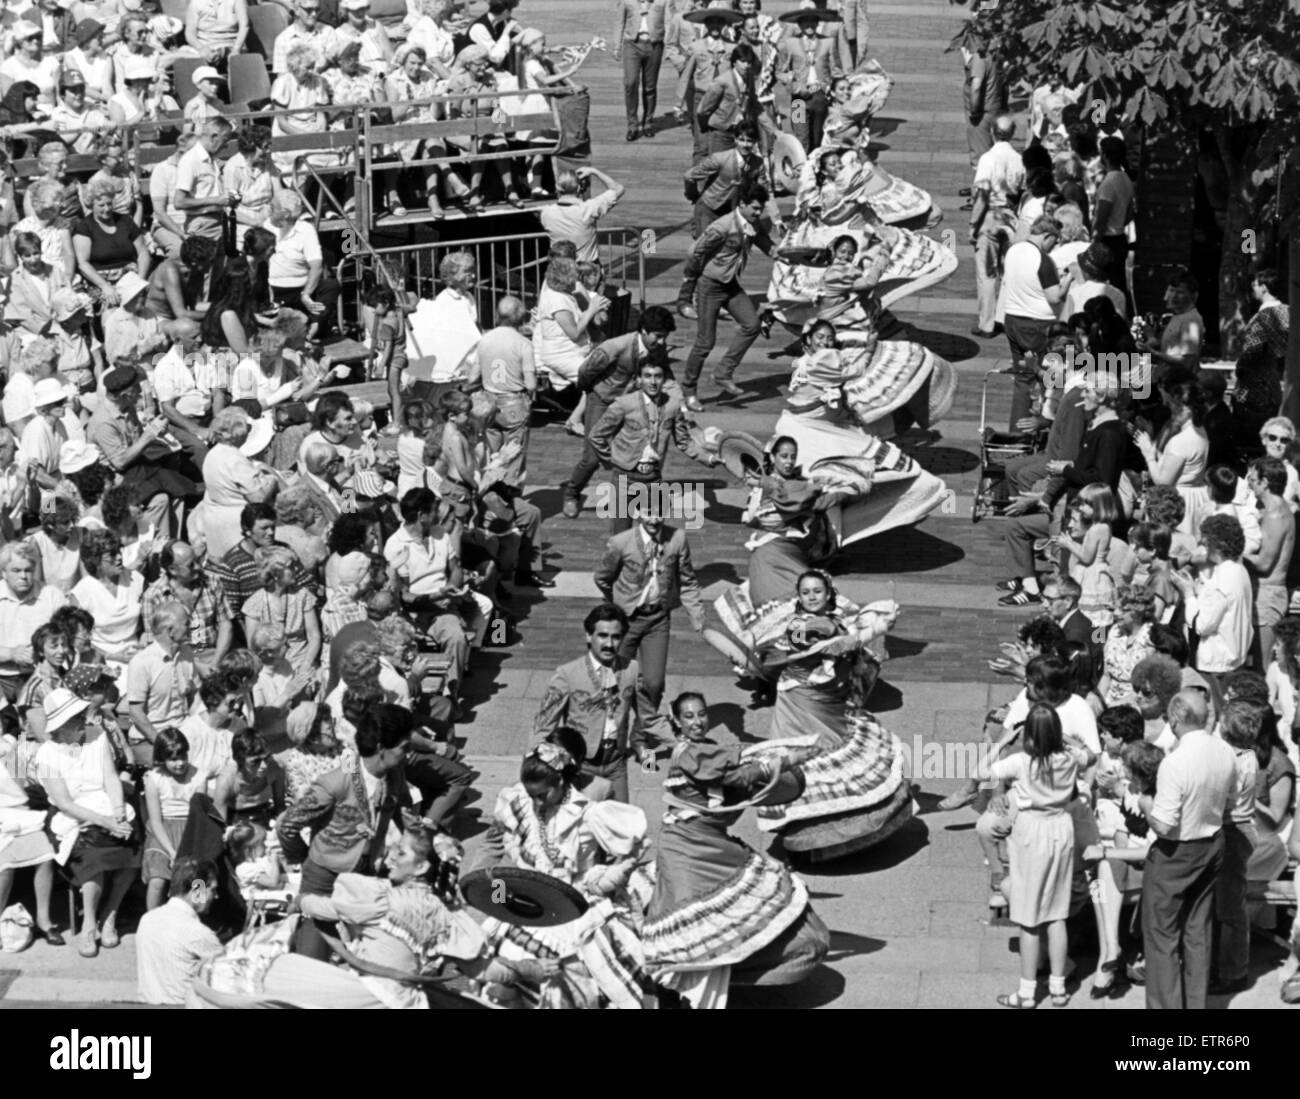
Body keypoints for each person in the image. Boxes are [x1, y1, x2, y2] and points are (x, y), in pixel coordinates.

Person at [641, 691, 827, 1006]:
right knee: (691, 922)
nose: (697, 721)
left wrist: (778, 767)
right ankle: (673, 990)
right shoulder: (687, 753)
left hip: (712, 841)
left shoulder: (709, 750)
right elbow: (740, 773)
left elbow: (738, 782)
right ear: (676, 720)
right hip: (684, 845)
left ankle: (730, 969)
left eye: (701, 714)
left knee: (742, 904)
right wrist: (789, 759)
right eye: (688, 716)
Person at [973, 702, 1079, 1008]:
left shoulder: (1021, 762)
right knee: (1057, 913)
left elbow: (980, 772)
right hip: (1062, 826)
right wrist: (1067, 740)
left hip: (1032, 832)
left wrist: (1001, 743)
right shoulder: (1070, 758)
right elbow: (1089, 754)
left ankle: (1027, 992)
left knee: (1030, 919)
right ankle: (1058, 989)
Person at [1135, 689, 1236, 1009]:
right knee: (1197, 931)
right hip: (1212, 843)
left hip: (1175, 852)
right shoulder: (1224, 751)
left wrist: (1145, 804)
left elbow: (1163, 825)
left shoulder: (1175, 762)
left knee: (1161, 936)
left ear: (1177, 718)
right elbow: (1231, 801)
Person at [35, 688, 140, 959]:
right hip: (72, 817)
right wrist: (105, 821)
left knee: (132, 845)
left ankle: (110, 915)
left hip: (106, 807)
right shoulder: (45, 754)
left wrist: (117, 813)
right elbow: (65, 802)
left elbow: (111, 778)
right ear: (60, 727)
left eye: (81, 716)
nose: (82, 723)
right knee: (93, 858)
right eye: (75, 720)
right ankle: (89, 924)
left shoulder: (98, 737)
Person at [277, 703, 413, 901]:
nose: (409, 754)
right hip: (326, 877)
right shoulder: (329, 780)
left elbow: (354, 769)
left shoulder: (392, 774)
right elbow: (286, 824)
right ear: (381, 748)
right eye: (404, 748)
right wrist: (304, 857)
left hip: (366, 872)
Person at [532, 603, 667, 803]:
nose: (609, 644)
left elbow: (649, 718)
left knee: (623, 827)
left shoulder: (631, 669)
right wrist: (533, 774)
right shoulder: (567, 674)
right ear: (589, 636)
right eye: (602, 635)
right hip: (580, 766)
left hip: (616, 765)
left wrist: (685, 744)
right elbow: (543, 727)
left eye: (616, 637)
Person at [560, 306, 676, 519]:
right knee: (592, 457)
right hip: (603, 402)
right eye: (658, 336)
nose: (661, 342)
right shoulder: (615, 347)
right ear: (643, 330)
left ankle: (632, 496)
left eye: (664, 337)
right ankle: (572, 493)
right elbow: (585, 372)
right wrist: (594, 395)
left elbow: (668, 375)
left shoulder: (658, 349)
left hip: (632, 404)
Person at [595, 495, 706, 708]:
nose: (654, 519)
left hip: (657, 620)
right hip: (625, 622)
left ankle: (643, 733)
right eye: (648, 512)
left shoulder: (678, 539)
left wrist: (698, 618)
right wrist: (617, 604)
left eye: (659, 512)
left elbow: (688, 582)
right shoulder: (620, 543)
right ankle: (613, 729)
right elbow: (602, 577)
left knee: (654, 684)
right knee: (615, 680)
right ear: (636, 513)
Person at [590, 357, 720, 534]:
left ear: (664, 380)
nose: (652, 382)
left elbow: (684, 442)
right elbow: (597, 435)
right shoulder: (624, 404)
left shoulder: (672, 406)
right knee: (621, 533)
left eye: (657, 376)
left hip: (653, 476)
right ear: (639, 379)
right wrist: (611, 461)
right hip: (624, 476)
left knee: (655, 529)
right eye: (647, 376)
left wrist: (709, 458)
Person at [677, 180, 775, 407]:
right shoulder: (722, 227)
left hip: (730, 284)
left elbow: (763, 241)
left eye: (761, 209)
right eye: (755, 208)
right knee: (705, 342)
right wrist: (685, 294)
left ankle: (723, 372)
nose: (758, 213)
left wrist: (783, 252)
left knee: (752, 325)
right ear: (742, 204)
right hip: (709, 285)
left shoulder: (752, 222)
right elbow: (695, 253)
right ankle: (689, 390)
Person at [1170, 514, 1252, 710]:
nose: (1203, 546)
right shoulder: (1240, 571)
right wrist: (1201, 590)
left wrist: (1188, 593)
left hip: (1217, 665)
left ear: (1216, 545)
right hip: (1235, 659)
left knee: (1218, 715)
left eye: (1206, 542)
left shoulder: (1223, 578)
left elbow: (1202, 625)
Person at [135, 856, 222, 1004]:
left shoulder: (147, 920)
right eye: (212, 889)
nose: (216, 896)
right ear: (198, 889)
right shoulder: (199, 933)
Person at [469, 295, 535, 486]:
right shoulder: (523, 343)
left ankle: (489, 488)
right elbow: (530, 384)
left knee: (491, 454)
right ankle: (508, 490)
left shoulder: (485, 340)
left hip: (488, 403)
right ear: (520, 316)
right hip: (514, 402)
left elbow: (473, 377)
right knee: (513, 454)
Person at [198, 407, 279, 561]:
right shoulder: (234, 459)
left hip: (217, 521)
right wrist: (272, 481)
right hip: (237, 525)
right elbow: (258, 499)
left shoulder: (213, 453)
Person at [969, 116, 1025, 340]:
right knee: (1007, 271)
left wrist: (974, 224)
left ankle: (987, 323)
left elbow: (982, 195)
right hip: (1010, 218)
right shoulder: (1018, 159)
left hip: (991, 216)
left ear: (992, 132)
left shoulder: (988, 158)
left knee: (987, 272)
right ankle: (1003, 317)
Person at [141, 727, 209, 909]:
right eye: (172, 759)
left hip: (191, 829)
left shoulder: (199, 776)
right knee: (157, 880)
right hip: (163, 832)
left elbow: (199, 815)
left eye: (182, 757)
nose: (179, 763)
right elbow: (155, 820)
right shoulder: (154, 779)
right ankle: (153, 921)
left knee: (197, 876)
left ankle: (198, 915)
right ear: (163, 759)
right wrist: (172, 852)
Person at [1245, 457, 1295, 667]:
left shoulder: (1276, 515)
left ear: (1265, 482)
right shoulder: (1269, 511)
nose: (1249, 482)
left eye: (1253, 479)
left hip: (1268, 595)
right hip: (1262, 593)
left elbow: (1264, 564)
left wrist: (1235, 553)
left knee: (1262, 666)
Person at [539, 167, 625, 263]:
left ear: (557, 188)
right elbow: (618, 188)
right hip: (587, 269)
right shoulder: (589, 209)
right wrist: (594, 171)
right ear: (579, 188)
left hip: (560, 269)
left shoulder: (546, 213)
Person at [614, 0, 670, 140]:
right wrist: (616, 46)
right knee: (631, 83)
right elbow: (619, 22)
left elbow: (669, 23)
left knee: (650, 86)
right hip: (632, 44)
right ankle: (632, 125)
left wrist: (669, 46)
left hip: (654, 45)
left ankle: (648, 122)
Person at [1090, 136, 1133, 295]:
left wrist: (1095, 241)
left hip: (1108, 241)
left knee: (1106, 288)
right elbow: (1129, 213)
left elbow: (1102, 217)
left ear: (1105, 156)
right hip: (1120, 238)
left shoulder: (1108, 183)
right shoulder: (1125, 178)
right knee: (1118, 285)